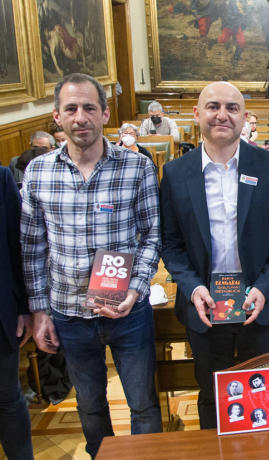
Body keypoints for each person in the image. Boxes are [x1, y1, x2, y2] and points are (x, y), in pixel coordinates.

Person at [20, 73, 162, 458]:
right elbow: (32, 248)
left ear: (105, 113)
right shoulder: (38, 173)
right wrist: (38, 312)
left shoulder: (137, 167)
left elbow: (152, 237)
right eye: (71, 109)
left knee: (144, 404)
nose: (80, 117)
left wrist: (135, 288)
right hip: (69, 313)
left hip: (128, 313)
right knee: (90, 406)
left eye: (89, 108)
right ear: (56, 116)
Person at [159, 81, 269, 429]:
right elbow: (171, 245)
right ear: (197, 113)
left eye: (232, 108)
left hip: (258, 304)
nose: (222, 115)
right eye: (213, 106)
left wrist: (264, 287)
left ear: (244, 116)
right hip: (204, 306)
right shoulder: (175, 174)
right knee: (211, 396)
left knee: (261, 398)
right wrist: (192, 288)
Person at [0, 166, 34, 460]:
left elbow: (16, 244)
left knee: (8, 400)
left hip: (1, 314)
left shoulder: (0, 178)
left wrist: (24, 307)